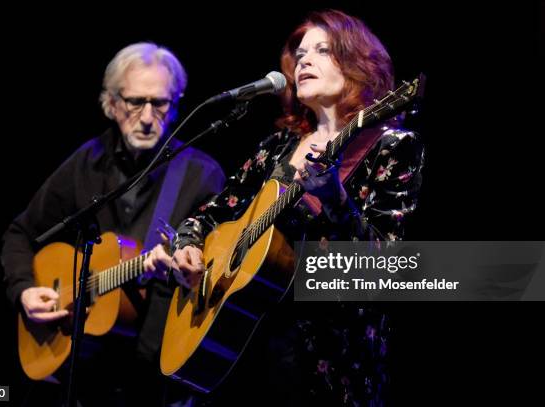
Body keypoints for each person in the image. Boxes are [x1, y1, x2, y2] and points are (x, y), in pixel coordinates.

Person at [171, 9, 425, 406]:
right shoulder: (276, 147)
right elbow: (209, 215)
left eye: (322, 50)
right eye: (300, 54)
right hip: (244, 356)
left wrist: (337, 203)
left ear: (358, 63)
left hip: (326, 362)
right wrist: (186, 246)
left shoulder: (390, 146)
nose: (304, 60)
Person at [1, 42, 225, 406]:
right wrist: (25, 289)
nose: (148, 117)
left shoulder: (202, 175)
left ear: (177, 103)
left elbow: (216, 277)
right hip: (83, 372)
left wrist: (189, 269)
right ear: (112, 103)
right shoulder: (87, 162)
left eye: (160, 103)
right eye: (136, 102)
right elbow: (21, 234)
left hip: (154, 376)